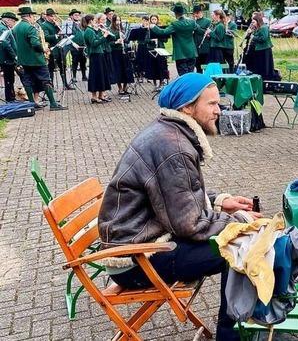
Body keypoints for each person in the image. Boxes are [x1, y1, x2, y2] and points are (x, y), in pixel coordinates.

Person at [98, 73, 260, 341]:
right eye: (211, 104)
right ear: (187, 107)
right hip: (136, 259)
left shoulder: (169, 133)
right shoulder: (173, 147)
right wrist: (240, 222)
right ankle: (230, 336)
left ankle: (236, 330)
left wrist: (221, 202)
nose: (219, 110)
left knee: (240, 242)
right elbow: (189, 225)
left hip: (144, 242)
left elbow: (179, 195)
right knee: (240, 248)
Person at [13, 6, 67, 110]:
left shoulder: (16, 27)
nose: (33, 18)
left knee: (28, 81)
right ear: (29, 16)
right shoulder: (30, 28)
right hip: (36, 59)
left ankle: (32, 104)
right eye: (33, 16)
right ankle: (53, 104)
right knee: (46, 80)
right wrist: (44, 50)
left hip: (23, 60)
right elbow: (35, 44)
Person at [152, 4, 199, 76]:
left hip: (181, 54)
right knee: (190, 75)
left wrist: (154, 27)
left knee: (183, 76)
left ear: (175, 14)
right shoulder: (192, 22)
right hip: (191, 52)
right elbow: (197, 28)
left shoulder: (175, 24)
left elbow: (163, 32)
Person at [83, 14, 114, 104]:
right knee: (95, 75)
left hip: (100, 54)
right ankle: (94, 96)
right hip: (95, 55)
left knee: (102, 75)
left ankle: (100, 95)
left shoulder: (92, 30)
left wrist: (103, 33)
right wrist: (104, 36)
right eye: (95, 21)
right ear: (91, 21)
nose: (96, 23)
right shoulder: (89, 31)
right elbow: (94, 43)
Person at [41, 8, 74, 90]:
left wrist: (59, 28)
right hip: (52, 49)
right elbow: (46, 37)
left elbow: (63, 33)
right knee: (51, 68)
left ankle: (65, 84)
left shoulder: (55, 24)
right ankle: (50, 86)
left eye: (54, 16)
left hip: (60, 48)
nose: (54, 18)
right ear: (47, 17)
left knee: (63, 66)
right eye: (52, 16)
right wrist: (57, 35)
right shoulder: (44, 25)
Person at [244, 12, 279, 80]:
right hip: (258, 50)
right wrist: (249, 33)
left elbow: (264, 38)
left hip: (264, 50)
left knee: (265, 66)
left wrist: (253, 37)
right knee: (259, 66)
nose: (253, 24)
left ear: (258, 21)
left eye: (254, 22)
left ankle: (267, 78)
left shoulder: (264, 28)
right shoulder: (257, 28)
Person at [109, 14, 133, 95]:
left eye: (119, 20)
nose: (118, 22)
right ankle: (119, 88)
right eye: (116, 20)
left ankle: (125, 87)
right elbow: (108, 43)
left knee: (126, 69)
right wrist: (116, 42)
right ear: (113, 21)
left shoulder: (122, 29)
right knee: (118, 70)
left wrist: (125, 39)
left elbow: (127, 41)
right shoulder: (111, 30)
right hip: (115, 52)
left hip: (124, 51)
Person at [61, 9, 87, 82]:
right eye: (75, 15)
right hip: (74, 45)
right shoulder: (69, 24)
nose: (77, 16)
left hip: (82, 45)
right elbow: (66, 36)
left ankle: (84, 75)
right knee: (75, 61)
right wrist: (73, 43)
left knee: (83, 60)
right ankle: (74, 76)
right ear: (71, 16)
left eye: (78, 15)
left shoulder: (81, 23)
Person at [148, 14, 170, 88]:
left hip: (160, 49)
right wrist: (151, 40)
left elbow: (166, 40)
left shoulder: (161, 29)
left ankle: (161, 82)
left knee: (161, 66)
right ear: (150, 20)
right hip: (152, 49)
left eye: (155, 19)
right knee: (153, 67)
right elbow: (145, 40)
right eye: (152, 19)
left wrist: (160, 37)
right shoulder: (148, 29)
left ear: (157, 20)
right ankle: (155, 84)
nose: (153, 21)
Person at [0, 12, 18, 102]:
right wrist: (14, 56)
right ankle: (10, 98)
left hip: (7, 58)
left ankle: (11, 97)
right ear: (7, 20)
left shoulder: (4, 27)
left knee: (10, 79)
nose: (14, 24)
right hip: (6, 59)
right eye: (13, 21)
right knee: (9, 79)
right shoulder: (3, 28)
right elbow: (6, 44)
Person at [192, 5, 211, 73]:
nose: (195, 15)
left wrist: (197, 28)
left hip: (204, 48)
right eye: (194, 13)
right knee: (198, 68)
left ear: (200, 12)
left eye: (197, 13)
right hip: (195, 48)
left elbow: (207, 33)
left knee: (206, 68)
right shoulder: (193, 22)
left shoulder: (207, 21)